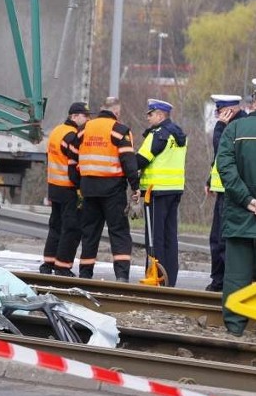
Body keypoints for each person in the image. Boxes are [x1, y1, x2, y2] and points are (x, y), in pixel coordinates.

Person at [215, 78, 256, 337]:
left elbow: (225, 168)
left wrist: (248, 200)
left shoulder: (234, 130)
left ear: (255, 100)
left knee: (237, 273)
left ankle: (234, 328)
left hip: (240, 213)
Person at [74, 96, 140, 282]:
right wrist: (135, 187)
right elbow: (128, 161)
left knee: (90, 233)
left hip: (88, 189)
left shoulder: (84, 129)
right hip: (112, 191)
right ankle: (121, 276)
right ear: (116, 112)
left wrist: (78, 181)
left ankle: (85, 275)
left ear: (102, 109)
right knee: (118, 232)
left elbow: (73, 155)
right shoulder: (120, 130)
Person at [135, 99, 187, 287]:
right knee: (169, 237)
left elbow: (140, 160)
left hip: (156, 192)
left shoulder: (158, 135)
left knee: (154, 237)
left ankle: (155, 278)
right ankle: (169, 280)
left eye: (150, 114)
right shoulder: (179, 134)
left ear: (160, 115)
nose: (148, 118)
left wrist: (128, 171)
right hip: (174, 190)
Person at [40, 102, 91, 277]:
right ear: (74, 116)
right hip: (68, 188)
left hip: (54, 186)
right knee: (71, 228)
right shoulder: (71, 135)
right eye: (85, 116)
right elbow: (75, 163)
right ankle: (62, 266)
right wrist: (81, 186)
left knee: (55, 225)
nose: (87, 119)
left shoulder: (56, 131)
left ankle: (48, 263)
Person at [205, 94, 246, 292]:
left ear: (229, 110)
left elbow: (223, 151)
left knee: (222, 240)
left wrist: (220, 127)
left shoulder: (233, 126)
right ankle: (218, 280)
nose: (217, 116)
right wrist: (209, 180)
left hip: (232, 193)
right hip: (224, 190)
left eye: (219, 111)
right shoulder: (235, 124)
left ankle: (221, 283)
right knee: (217, 239)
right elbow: (219, 161)